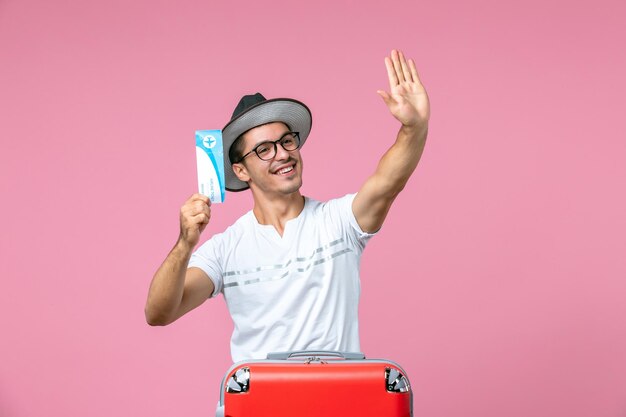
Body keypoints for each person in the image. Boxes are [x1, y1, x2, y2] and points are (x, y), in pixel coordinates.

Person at [145, 49, 430, 363]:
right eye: (264, 149)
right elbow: (159, 312)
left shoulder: (338, 223)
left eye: (287, 141)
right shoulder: (225, 249)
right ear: (241, 170)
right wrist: (185, 243)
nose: (282, 154)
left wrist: (413, 129)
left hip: (336, 401)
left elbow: (387, 183)